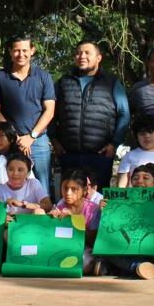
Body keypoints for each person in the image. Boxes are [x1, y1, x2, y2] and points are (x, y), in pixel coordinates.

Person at [52, 41, 129, 192]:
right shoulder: (63, 83)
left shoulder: (112, 83)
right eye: (79, 53)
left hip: (100, 155)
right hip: (69, 154)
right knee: (70, 202)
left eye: (87, 53)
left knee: (97, 203)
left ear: (99, 58)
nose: (82, 56)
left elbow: (124, 114)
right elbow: (51, 113)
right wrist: (54, 141)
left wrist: (114, 144)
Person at [0, 34, 56, 192]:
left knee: (41, 186)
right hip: (10, 141)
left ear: (32, 51)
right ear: (10, 52)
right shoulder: (0, 77)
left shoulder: (43, 77)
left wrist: (31, 137)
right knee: (8, 183)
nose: (21, 54)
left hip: (38, 141)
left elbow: (49, 111)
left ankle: (39, 217)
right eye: (16, 50)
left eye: (25, 50)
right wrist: (15, 137)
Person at [99, 164, 154, 279]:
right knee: (107, 250)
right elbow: (109, 235)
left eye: (146, 178)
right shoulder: (121, 202)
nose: (139, 181)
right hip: (130, 253)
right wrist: (105, 213)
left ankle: (134, 269)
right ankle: (141, 268)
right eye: (135, 178)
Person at [49, 170, 101, 273]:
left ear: (85, 190)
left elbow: (93, 242)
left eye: (74, 189)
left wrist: (74, 221)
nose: (68, 193)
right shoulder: (59, 206)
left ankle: (99, 263)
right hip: (64, 247)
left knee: (84, 263)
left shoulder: (93, 210)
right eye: (65, 188)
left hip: (84, 248)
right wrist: (51, 220)